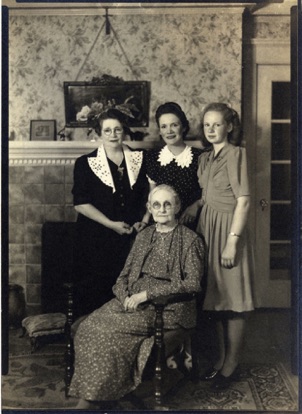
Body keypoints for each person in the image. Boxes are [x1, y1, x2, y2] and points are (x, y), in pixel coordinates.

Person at [69, 185, 205, 409]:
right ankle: (102, 393)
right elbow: (122, 277)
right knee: (89, 326)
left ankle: (90, 401)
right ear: (149, 208)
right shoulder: (144, 236)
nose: (162, 209)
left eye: (167, 204)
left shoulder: (190, 241)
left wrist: (147, 294)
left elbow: (192, 284)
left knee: (107, 333)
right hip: (130, 301)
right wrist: (124, 298)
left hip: (166, 308)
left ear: (178, 207)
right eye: (156, 205)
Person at [195, 103, 254, 390]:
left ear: (229, 126)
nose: (211, 129)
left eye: (217, 124)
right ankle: (220, 361)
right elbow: (207, 196)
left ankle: (232, 365)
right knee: (216, 301)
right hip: (208, 229)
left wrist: (232, 243)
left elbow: (243, 200)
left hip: (229, 231)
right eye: (207, 125)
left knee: (234, 303)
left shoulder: (236, 154)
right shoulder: (205, 158)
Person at [72, 107, 149, 317]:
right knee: (97, 290)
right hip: (95, 238)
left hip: (130, 237)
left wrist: (144, 220)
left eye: (117, 129)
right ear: (99, 133)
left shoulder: (140, 158)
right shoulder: (85, 163)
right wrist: (110, 224)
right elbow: (80, 203)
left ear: (124, 131)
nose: (113, 134)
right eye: (108, 130)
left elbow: (150, 194)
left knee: (126, 289)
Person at [145, 102, 207, 228]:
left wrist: (196, 206)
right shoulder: (153, 157)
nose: (169, 131)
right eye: (164, 126)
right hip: (161, 224)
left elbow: (209, 192)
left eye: (174, 125)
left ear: (183, 127)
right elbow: (152, 196)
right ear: (160, 131)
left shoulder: (200, 157)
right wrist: (145, 220)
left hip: (191, 222)